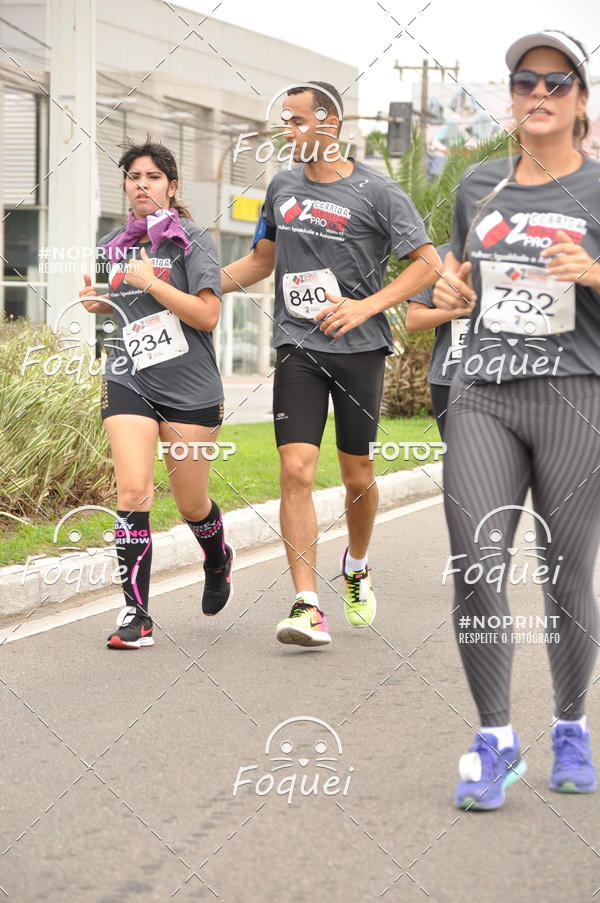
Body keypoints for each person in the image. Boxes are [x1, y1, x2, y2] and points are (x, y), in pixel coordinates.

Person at [433, 31, 600, 807]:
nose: (540, 92)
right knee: (476, 559)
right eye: (526, 81)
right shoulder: (478, 185)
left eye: (557, 82)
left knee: (567, 572)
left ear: (580, 102)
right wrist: (451, 297)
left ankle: (571, 724)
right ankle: (495, 739)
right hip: (485, 390)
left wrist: (593, 271)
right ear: (512, 99)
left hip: (575, 392)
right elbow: (459, 280)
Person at [222, 81, 439, 647]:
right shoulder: (282, 186)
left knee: (357, 475)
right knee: (295, 469)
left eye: (295, 121)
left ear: (329, 125)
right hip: (297, 345)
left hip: (360, 350)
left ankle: (358, 564)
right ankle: (306, 603)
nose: (286, 133)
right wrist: (196, 289)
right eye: (284, 123)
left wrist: (366, 305)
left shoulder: (379, 192)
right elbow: (260, 261)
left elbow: (427, 266)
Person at [80, 139, 233, 649]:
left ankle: (217, 558)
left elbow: (207, 315)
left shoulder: (193, 240)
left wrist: (153, 282)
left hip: (190, 388)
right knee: (133, 491)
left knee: (191, 504)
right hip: (129, 379)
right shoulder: (115, 244)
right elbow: (128, 309)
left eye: (151, 177)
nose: (141, 184)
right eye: (132, 176)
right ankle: (137, 615)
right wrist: (100, 305)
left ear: (171, 186)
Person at [405, 241, 473, 437]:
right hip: (451, 380)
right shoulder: (437, 258)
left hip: (508, 377)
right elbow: (414, 320)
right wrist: (461, 310)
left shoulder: (516, 256)